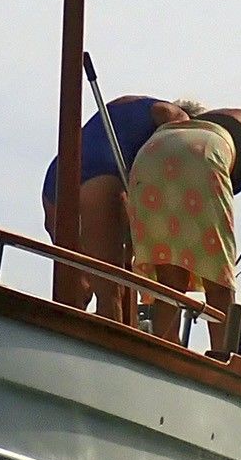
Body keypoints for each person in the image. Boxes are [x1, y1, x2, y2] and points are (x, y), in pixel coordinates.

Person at [126, 107, 241, 351]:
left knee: (170, 273)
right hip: (203, 152)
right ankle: (223, 357)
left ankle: (160, 347)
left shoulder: (234, 118)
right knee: (218, 277)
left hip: (153, 152)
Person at [42, 95, 202, 316]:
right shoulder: (177, 118)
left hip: (57, 178)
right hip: (100, 175)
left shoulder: (129, 104)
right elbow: (176, 167)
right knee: (113, 292)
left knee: (76, 288)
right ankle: (114, 343)